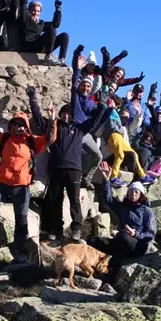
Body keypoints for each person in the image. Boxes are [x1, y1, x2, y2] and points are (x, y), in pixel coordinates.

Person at [0, 99, 54, 263]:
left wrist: (52, 119)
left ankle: (20, 253)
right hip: (2, 183)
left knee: (21, 219)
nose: (18, 127)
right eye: (15, 124)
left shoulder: (33, 142)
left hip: (21, 186)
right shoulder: (4, 139)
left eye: (22, 125)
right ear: (11, 126)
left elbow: (50, 138)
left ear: (26, 127)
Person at [27, 85, 103, 242]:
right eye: (64, 114)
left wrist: (102, 104)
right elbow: (37, 117)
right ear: (60, 115)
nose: (66, 116)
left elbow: (95, 119)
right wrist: (33, 99)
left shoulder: (80, 129)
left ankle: (76, 229)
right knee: (55, 201)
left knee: (74, 200)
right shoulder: (53, 126)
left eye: (69, 114)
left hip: (74, 170)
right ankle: (56, 230)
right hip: (55, 169)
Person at [96, 180, 156, 271]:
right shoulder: (123, 207)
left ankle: (112, 268)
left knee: (124, 237)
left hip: (138, 246)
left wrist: (136, 234)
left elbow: (151, 234)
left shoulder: (147, 211)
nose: (133, 194)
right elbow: (108, 200)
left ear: (141, 195)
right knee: (93, 241)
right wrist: (106, 180)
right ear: (127, 193)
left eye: (136, 191)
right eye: (131, 191)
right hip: (121, 241)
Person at [71, 47, 105, 188]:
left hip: (85, 133)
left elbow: (99, 117)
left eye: (88, 86)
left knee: (98, 156)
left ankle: (87, 178)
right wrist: (78, 69)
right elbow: (73, 84)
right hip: (74, 130)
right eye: (83, 85)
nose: (85, 88)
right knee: (75, 156)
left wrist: (104, 106)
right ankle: (75, 179)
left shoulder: (91, 103)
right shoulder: (76, 97)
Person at [18, 0, 68, 64]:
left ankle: (62, 59)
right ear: (30, 10)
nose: (36, 13)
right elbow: (23, 5)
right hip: (29, 46)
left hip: (41, 46)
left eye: (38, 11)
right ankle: (49, 55)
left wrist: (58, 10)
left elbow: (55, 24)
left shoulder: (41, 23)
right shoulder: (25, 19)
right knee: (52, 30)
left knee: (64, 35)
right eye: (34, 10)